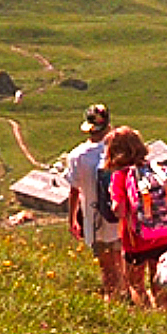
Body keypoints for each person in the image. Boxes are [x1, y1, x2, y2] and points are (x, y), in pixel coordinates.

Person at [103, 126, 167, 308]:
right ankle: (164, 315)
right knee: (159, 283)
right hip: (164, 236)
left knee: (136, 284)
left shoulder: (120, 177)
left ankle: (146, 315)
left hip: (135, 240)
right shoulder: (159, 170)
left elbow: (119, 210)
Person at [64, 104, 125, 302]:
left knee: (106, 263)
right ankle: (126, 294)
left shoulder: (77, 156)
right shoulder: (120, 149)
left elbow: (74, 190)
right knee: (121, 258)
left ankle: (113, 297)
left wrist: (72, 218)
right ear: (108, 125)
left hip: (95, 217)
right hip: (122, 215)